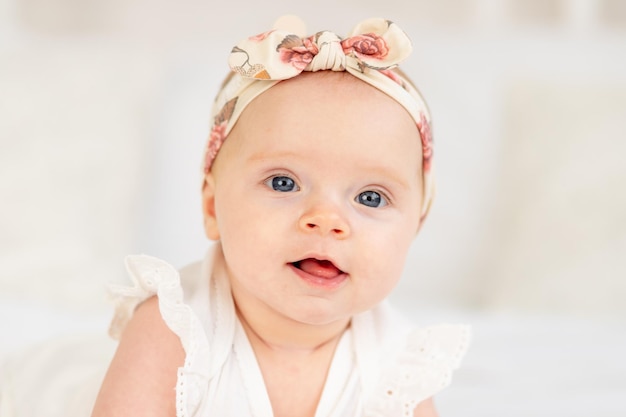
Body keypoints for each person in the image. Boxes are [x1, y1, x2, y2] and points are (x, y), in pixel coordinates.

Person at [91, 16, 470, 417]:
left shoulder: (397, 363)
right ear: (211, 206)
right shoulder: (175, 332)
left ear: (416, 227)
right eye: (284, 183)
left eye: (371, 197)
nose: (326, 219)